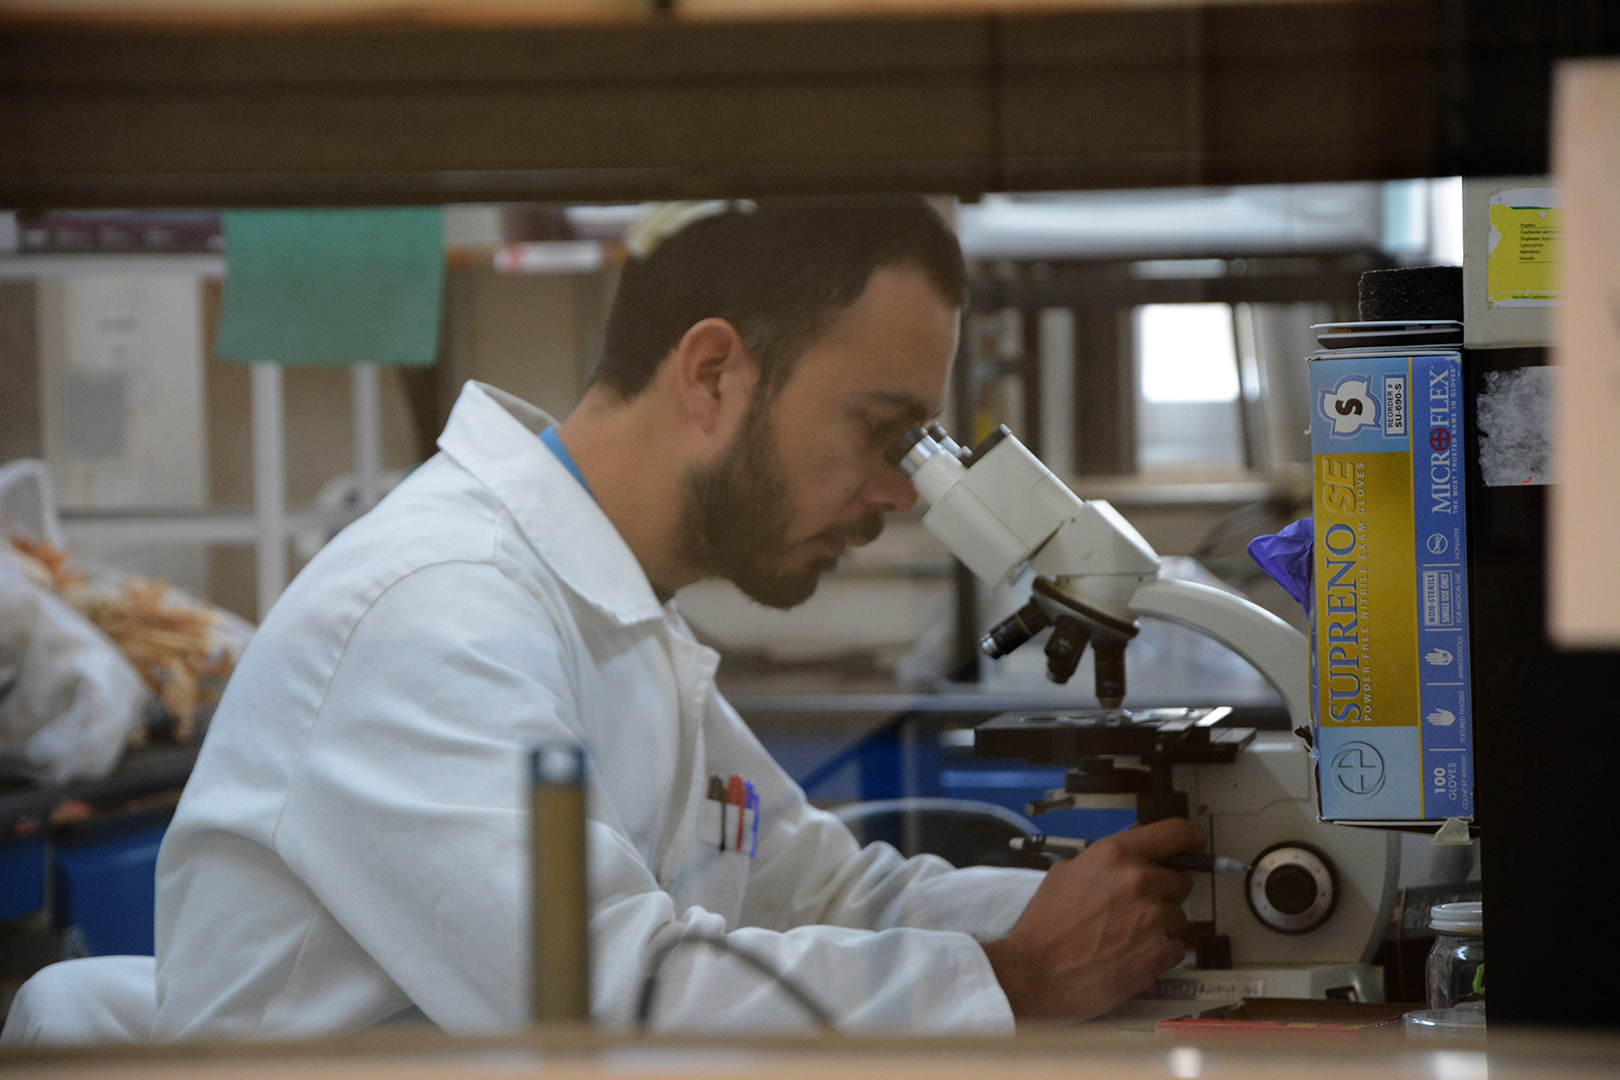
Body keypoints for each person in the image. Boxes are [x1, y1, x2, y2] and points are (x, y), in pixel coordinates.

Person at [152, 196, 1204, 1039]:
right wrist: (1012, 977)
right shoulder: (436, 612)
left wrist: (1105, 916)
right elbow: (611, 1005)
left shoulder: (618, 621)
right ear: (712, 375)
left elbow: (822, 898)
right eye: (884, 434)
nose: (898, 496)